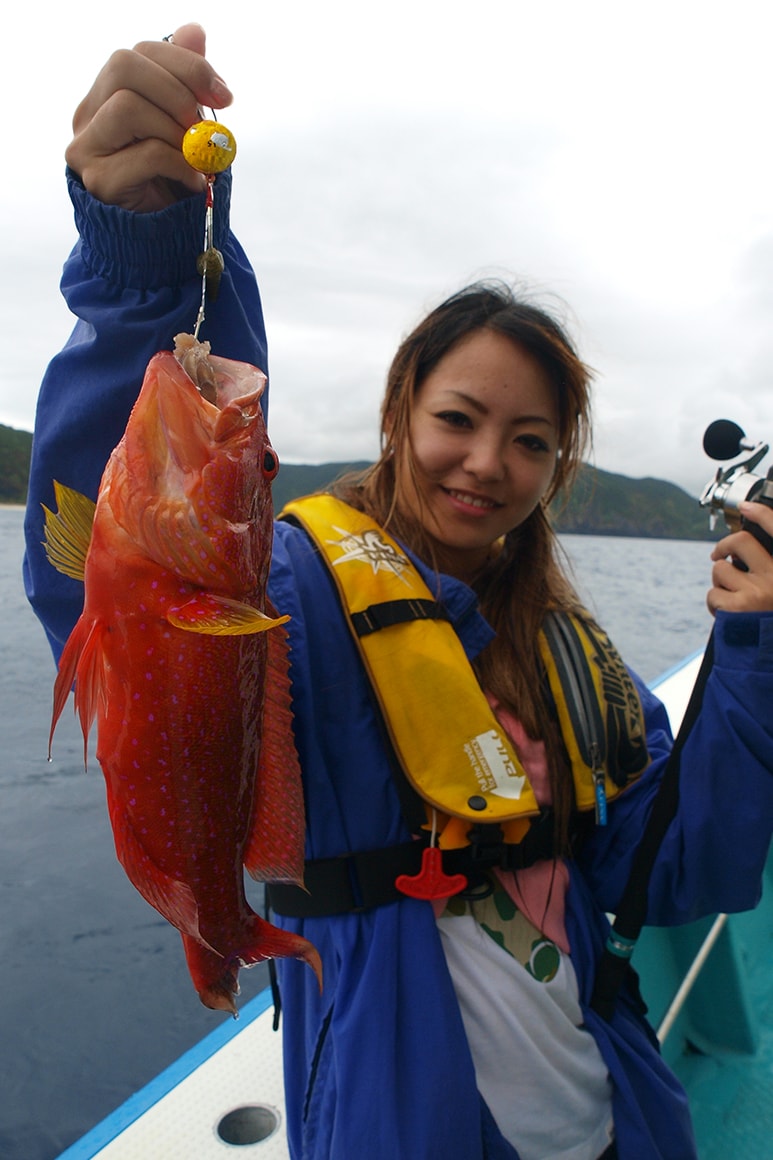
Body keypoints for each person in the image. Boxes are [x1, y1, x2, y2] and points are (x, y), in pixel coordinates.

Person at [23, 24, 773, 1160]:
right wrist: (151, 260)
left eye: (527, 440)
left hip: (606, 1113)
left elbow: (685, 867)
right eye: (457, 420)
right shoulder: (287, 587)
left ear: (555, 467)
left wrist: (751, 646)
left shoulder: (572, 649)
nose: (486, 463)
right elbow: (116, 568)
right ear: (398, 416)